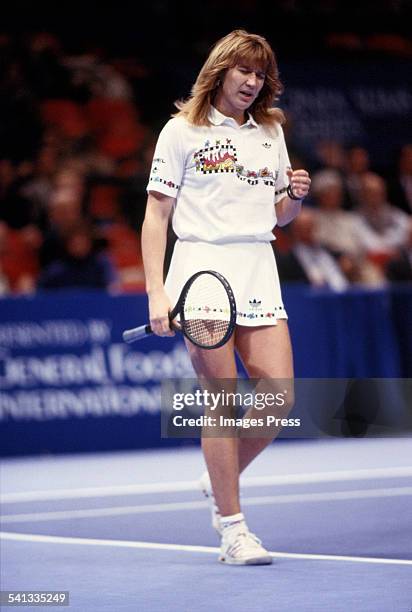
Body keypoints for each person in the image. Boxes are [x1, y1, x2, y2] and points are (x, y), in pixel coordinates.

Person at [141, 30, 310, 565]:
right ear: (221, 71)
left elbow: (278, 215)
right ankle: (233, 530)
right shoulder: (181, 131)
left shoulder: (271, 131)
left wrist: (294, 199)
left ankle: (220, 477)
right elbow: (156, 216)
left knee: (278, 397)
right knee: (222, 403)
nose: (252, 82)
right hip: (201, 271)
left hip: (258, 267)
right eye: (244, 71)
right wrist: (155, 293)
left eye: (260, 74)